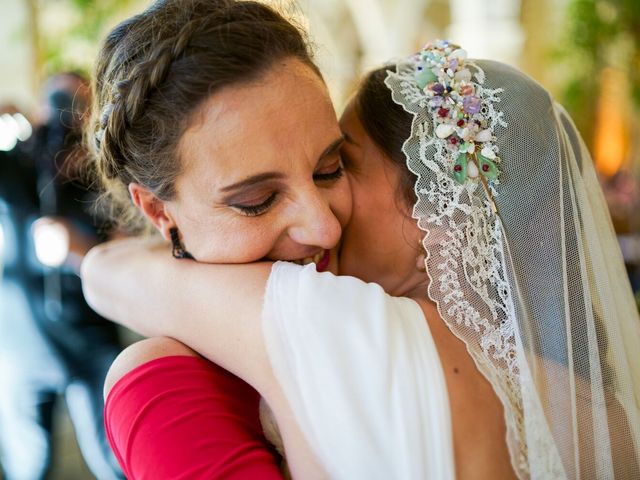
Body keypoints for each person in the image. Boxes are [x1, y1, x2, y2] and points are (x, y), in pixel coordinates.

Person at [81, 0, 640, 477]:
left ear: (446, 225)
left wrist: (98, 265)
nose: (324, 226)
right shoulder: (605, 417)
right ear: (157, 210)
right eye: (256, 201)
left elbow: (110, 272)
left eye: (332, 168)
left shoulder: (318, 324)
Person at [0, 73, 124, 480]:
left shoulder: (107, 176)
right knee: (28, 465)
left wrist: (80, 253)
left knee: (114, 458)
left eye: (74, 103)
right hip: (21, 347)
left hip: (90, 342)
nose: (62, 113)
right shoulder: (14, 165)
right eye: (55, 100)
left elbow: (134, 264)